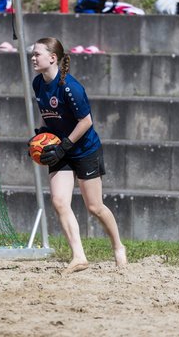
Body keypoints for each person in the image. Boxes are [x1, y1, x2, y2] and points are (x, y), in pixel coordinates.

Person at [30, 37, 127, 273]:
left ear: (52, 58)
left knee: (94, 207)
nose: (33, 58)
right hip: (60, 148)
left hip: (84, 149)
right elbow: (48, 113)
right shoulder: (38, 83)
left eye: (37, 54)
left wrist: (65, 145)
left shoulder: (70, 88)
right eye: (32, 54)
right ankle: (79, 256)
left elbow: (86, 121)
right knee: (59, 201)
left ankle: (118, 247)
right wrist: (41, 135)